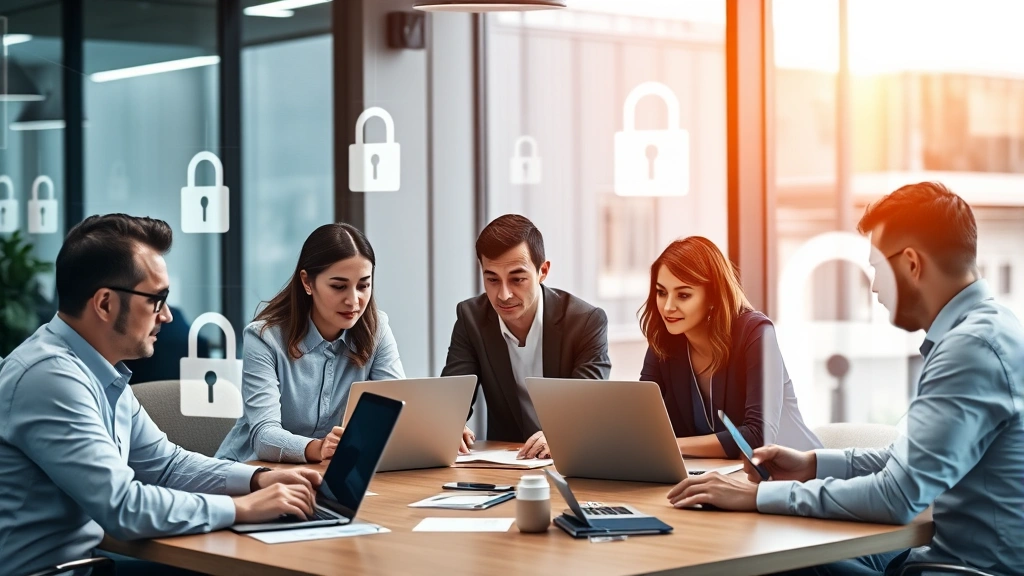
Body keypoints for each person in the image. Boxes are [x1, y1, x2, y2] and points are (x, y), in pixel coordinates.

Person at [666, 183, 1024, 576]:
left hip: (960, 570)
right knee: (792, 549)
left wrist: (759, 495)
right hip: (930, 554)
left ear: (910, 264)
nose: (872, 286)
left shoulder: (970, 349)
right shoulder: (986, 331)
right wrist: (811, 464)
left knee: (767, 564)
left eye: (876, 268)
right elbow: (907, 460)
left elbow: (897, 496)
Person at [0, 214, 322, 576]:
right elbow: (122, 507)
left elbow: (167, 466)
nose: (167, 316)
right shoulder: (49, 377)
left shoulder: (100, 369)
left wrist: (257, 479)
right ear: (105, 304)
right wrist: (243, 508)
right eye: (157, 300)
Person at [216, 223, 405, 464]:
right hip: (249, 472)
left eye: (363, 285)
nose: (353, 300)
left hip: (322, 473)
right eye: (339, 286)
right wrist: (318, 448)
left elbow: (397, 409)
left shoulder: (376, 329)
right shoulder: (264, 338)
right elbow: (264, 437)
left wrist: (430, 432)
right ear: (307, 282)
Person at [441, 214, 611, 459]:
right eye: (492, 280)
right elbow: (452, 397)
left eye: (517, 279)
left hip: (573, 459)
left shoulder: (585, 321)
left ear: (543, 271)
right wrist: (450, 424)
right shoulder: (471, 318)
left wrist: (560, 432)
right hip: (508, 461)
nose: (504, 295)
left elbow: (587, 403)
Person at [639, 236, 821, 459]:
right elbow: (644, 424)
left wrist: (671, 446)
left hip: (795, 478)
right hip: (721, 475)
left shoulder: (756, 332)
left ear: (713, 296)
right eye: (661, 292)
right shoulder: (665, 341)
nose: (667, 307)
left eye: (683, 295)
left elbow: (758, 436)